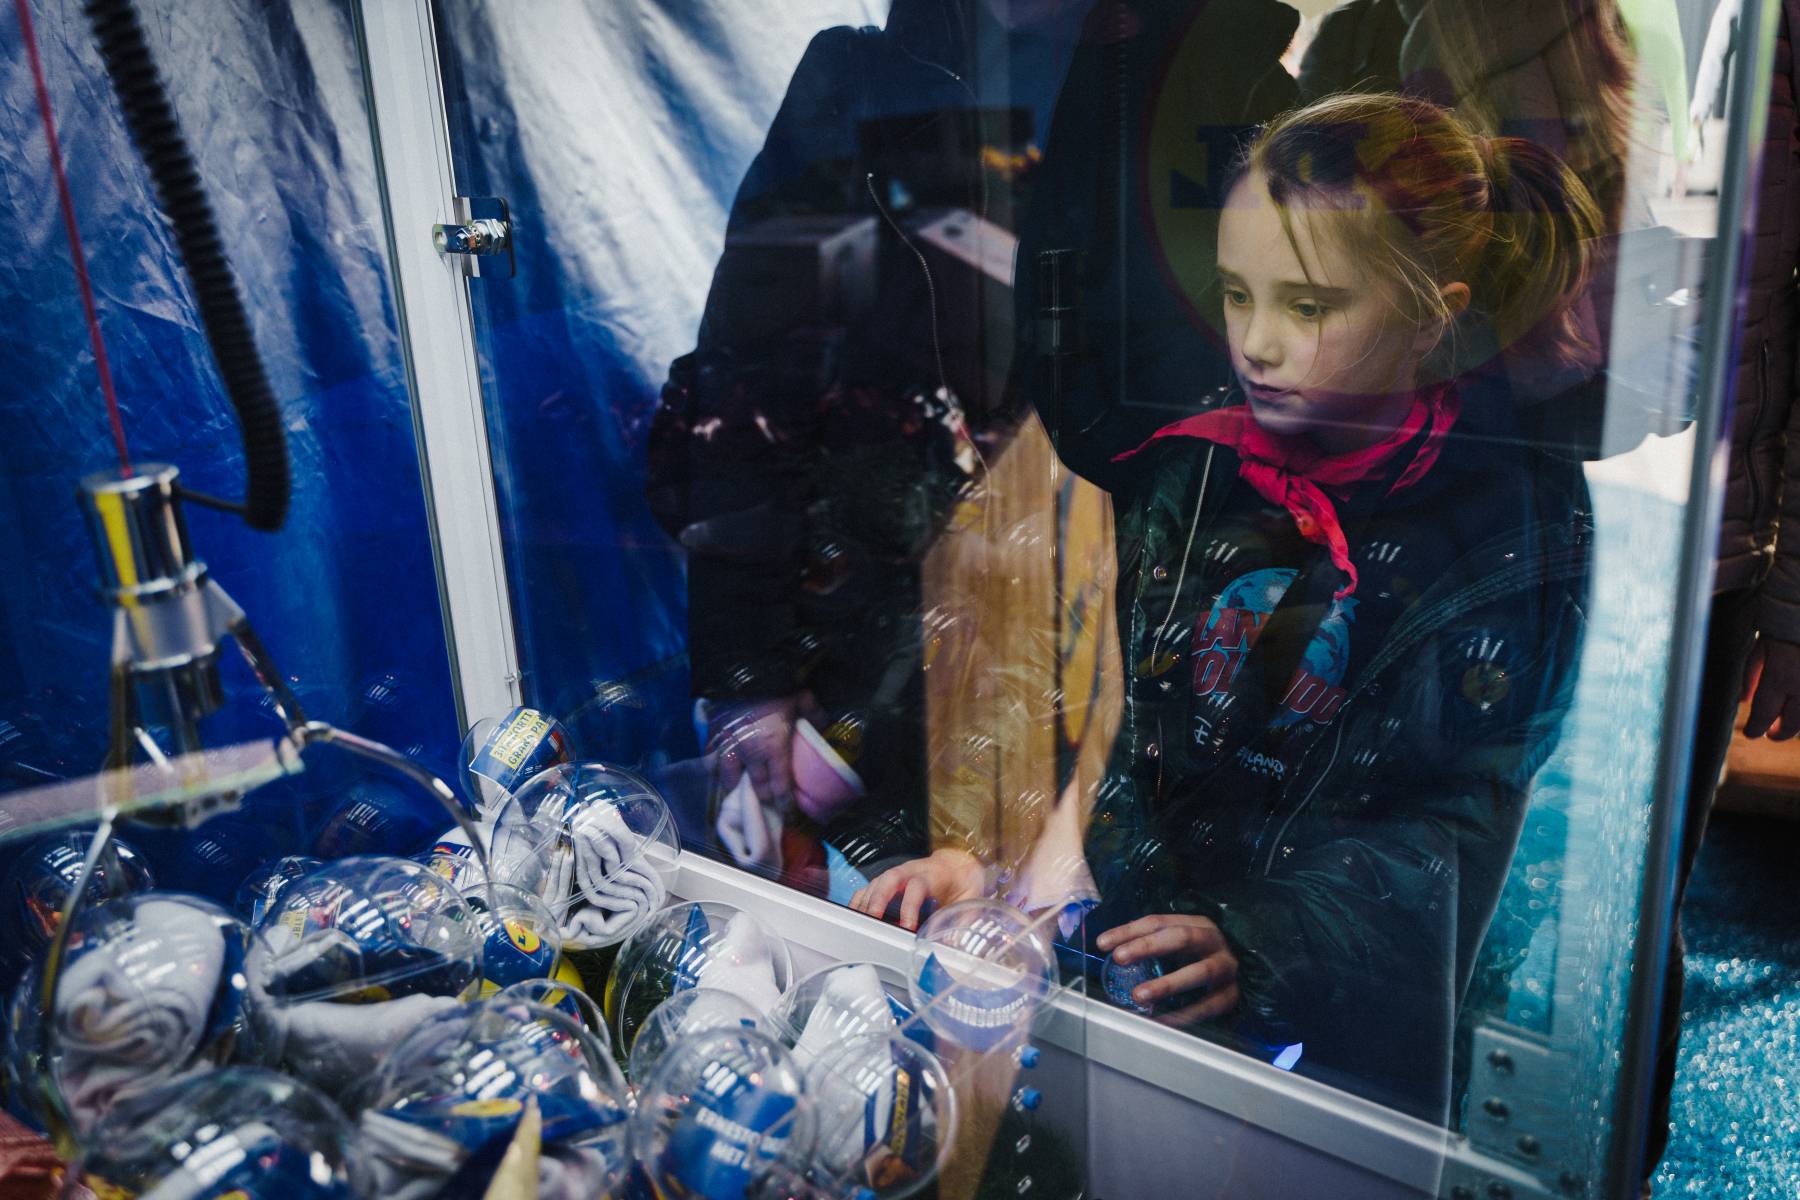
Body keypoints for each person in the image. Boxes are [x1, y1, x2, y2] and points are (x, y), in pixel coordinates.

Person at [853, 91, 1600, 1121]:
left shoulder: (1504, 532)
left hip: (1324, 1053)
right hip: (1125, 972)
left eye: (1308, 307)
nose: (1254, 344)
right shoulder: (1199, 464)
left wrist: (1263, 943)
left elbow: (1452, 827)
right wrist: (977, 850)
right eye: (1238, 295)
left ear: (1434, 316)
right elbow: (1079, 685)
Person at [646, 1, 1092, 887]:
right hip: (859, 645)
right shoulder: (860, 91)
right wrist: (750, 678)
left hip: (1060, 639)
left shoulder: (1149, 87)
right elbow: (748, 388)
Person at [1644, 2, 1799, 1191]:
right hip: (1523, 520)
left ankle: (1627, 1167)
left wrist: (1791, 602)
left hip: (1711, 555)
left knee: (1641, 909)